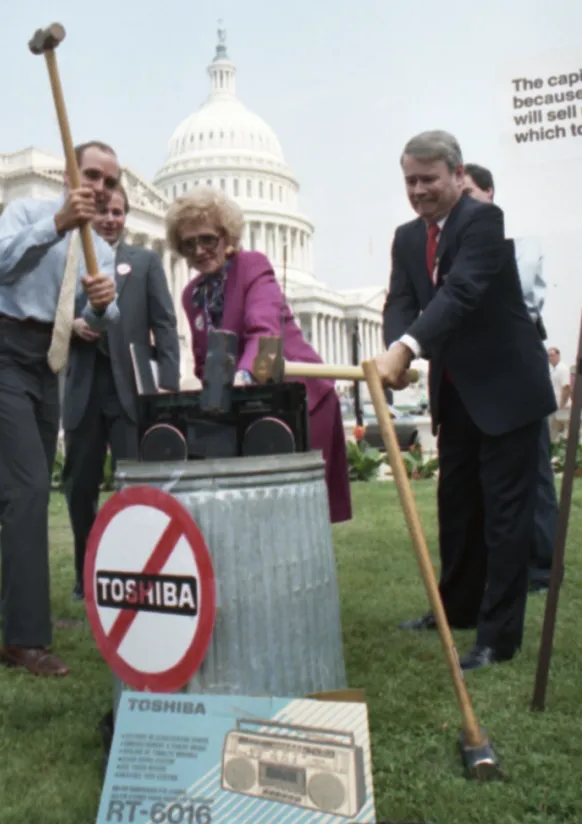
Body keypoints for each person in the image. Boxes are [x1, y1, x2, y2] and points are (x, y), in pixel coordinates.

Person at [376, 130, 556, 671]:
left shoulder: (482, 221)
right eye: (410, 180)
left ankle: (498, 638)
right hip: (454, 394)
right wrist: (395, 349)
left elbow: (461, 292)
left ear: (457, 175)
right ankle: (456, 610)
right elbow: (400, 300)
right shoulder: (407, 237)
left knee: (505, 517)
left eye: (428, 179)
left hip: (506, 390)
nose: (418, 191)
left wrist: (407, 348)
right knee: (457, 508)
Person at [0, 140, 120, 677]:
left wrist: (103, 308)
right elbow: (0, 269)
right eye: (91, 175)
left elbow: (100, 320)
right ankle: (23, 639)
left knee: (26, 493)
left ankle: (25, 614)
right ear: (69, 174)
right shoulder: (27, 211)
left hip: (47, 361)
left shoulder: (101, 250)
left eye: (110, 182)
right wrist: (56, 224)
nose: (100, 188)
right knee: (27, 489)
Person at [164, 186, 352, 524]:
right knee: (253, 509)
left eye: (207, 239)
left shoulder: (252, 266)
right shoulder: (191, 295)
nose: (199, 250)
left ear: (227, 235)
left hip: (299, 396)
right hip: (247, 404)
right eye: (189, 244)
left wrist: (243, 376)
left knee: (298, 510)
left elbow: (264, 329)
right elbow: (205, 358)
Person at [63, 183, 180, 600]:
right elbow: (48, 315)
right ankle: (86, 573)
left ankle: (138, 570)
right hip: (84, 388)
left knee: (134, 485)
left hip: (130, 389)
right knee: (80, 487)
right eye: (103, 212)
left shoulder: (145, 262)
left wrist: (167, 383)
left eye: (118, 212)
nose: (111, 219)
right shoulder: (68, 261)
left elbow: (164, 323)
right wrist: (71, 326)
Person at [462, 163, 557, 594]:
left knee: (532, 469)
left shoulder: (519, 244)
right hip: (474, 367)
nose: (463, 202)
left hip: (515, 361)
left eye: (469, 192)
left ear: (489, 193)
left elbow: (517, 300)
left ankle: (540, 566)